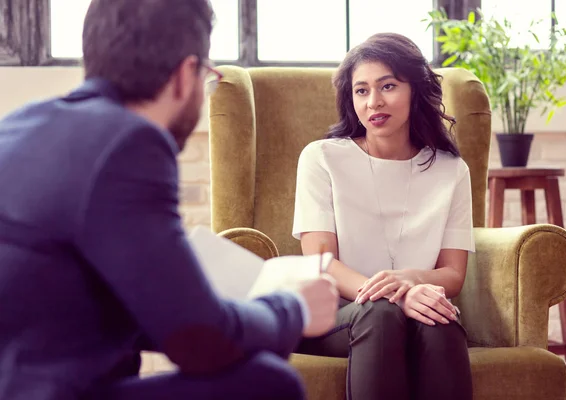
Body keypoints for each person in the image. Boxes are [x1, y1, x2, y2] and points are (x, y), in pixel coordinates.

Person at [0, 0, 339, 399]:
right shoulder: (130, 143)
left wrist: (188, 296)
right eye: (207, 78)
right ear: (184, 75)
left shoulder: (20, 126)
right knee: (266, 380)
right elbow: (201, 342)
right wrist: (293, 309)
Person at [292, 32, 474, 400]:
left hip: (414, 305)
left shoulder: (451, 170)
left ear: (414, 89)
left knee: (440, 319)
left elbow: (453, 274)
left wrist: (407, 282)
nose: (374, 101)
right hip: (335, 315)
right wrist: (396, 297)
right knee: (381, 314)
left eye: (388, 86)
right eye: (361, 91)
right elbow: (321, 262)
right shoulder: (322, 158)